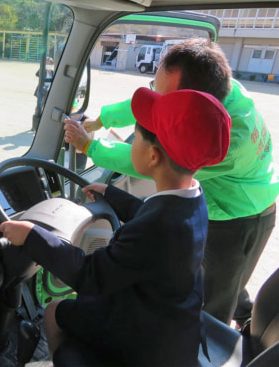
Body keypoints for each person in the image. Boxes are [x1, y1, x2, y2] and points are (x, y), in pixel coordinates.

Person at [0, 87, 231, 366]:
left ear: (153, 156)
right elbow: (148, 215)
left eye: (136, 137)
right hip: (170, 322)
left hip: (143, 338)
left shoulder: (157, 227)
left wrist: (32, 235)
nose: (130, 143)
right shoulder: (192, 198)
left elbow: (90, 275)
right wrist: (113, 195)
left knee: (54, 311)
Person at [65, 38, 279, 326]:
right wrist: (102, 119)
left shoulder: (226, 143)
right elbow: (155, 106)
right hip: (232, 199)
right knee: (229, 279)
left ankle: (211, 348)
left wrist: (92, 147)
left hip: (241, 218)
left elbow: (154, 160)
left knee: (215, 302)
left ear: (192, 104)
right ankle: (241, 308)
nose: (158, 97)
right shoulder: (221, 88)